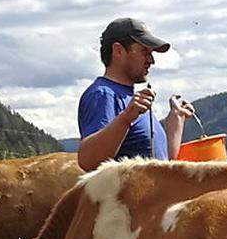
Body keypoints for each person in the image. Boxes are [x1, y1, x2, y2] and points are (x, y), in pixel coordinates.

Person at [77, 17, 195, 171]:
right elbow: (89, 161)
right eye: (144, 51)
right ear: (118, 50)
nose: (151, 60)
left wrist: (176, 118)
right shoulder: (103, 94)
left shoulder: (130, 100)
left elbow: (163, 162)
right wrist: (126, 118)